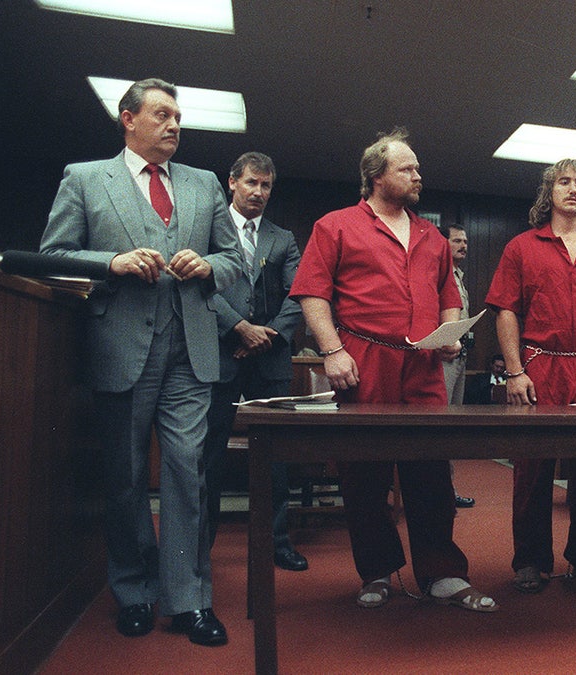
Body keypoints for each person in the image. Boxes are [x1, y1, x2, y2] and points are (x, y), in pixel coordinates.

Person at [39, 78, 241, 645]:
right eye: (161, 114)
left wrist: (208, 266)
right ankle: (133, 590)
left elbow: (234, 261)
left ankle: (188, 601)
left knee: (184, 473)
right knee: (125, 477)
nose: (174, 125)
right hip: (121, 347)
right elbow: (53, 255)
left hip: (190, 352)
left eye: (178, 116)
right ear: (127, 119)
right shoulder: (84, 179)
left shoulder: (203, 185)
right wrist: (113, 262)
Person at [289, 128, 497, 612]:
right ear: (375, 175)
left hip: (424, 367)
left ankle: (441, 573)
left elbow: (449, 298)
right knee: (364, 473)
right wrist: (332, 350)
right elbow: (312, 293)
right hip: (363, 361)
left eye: (417, 168)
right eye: (407, 168)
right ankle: (378, 571)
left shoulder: (431, 236)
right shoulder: (335, 226)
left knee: (432, 473)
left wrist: (450, 336)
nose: (418, 175)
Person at [486, 158, 576, 594]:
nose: (572, 189)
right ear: (548, 192)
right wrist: (514, 371)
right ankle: (530, 560)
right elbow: (506, 310)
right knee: (532, 467)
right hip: (538, 365)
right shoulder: (522, 247)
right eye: (563, 182)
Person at [202, 152, 309, 571]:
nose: (258, 193)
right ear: (232, 183)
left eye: (265, 186)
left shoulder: (283, 239)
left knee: (275, 457)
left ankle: (276, 542)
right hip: (221, 353)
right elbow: (200, 287)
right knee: (207, 455)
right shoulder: (210, 232)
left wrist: (268, 336)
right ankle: (199, 548)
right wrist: (238, 328)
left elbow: (300, 293)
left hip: (270, 359)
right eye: (251, 183)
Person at [440, 223, 476, 508]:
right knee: (441, 423)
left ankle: (447, 490)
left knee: (451, 425)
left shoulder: (459, 276)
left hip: (461, 355)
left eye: (465, 241)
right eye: (457, 241)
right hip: (444, 357)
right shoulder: (440, 274)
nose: (463, 245)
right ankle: (439, 491)